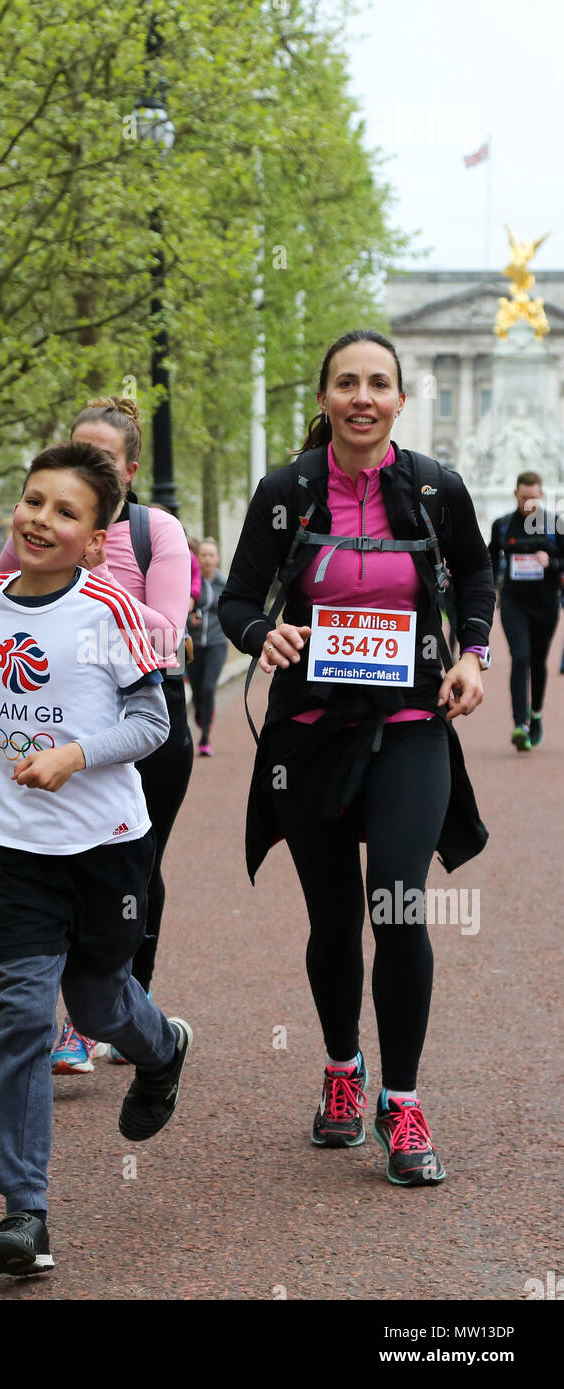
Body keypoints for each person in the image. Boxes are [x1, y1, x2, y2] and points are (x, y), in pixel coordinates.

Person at [219, 329, 495, 1186]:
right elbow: (234, 600)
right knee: (334, 918)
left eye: (379, 383)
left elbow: (478, 580)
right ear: (326, 398)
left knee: (399, 908)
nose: (363, 397)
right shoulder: (286, 491)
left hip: (412, 725)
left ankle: (402, 1099)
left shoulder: (435, 488)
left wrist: (470, 657)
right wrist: (267, 635)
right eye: (347, 383)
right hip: (310, 733)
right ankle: (344, 1074)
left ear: (400, 401)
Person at [0, 439, 192, 1276]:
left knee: (99, 1000)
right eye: (34, 502)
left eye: (66, 512)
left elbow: (153, 725)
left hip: (108, 848)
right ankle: (24, 1211)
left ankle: (162, 1048)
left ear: (95, 538)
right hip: (17, 849)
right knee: (22, 1014)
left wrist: (75, 755)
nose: (42, 520)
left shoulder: (113, 611)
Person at [0, 397, 193, 1073]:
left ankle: (123, 1001)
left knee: (135, 861)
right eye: (76, 449)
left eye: (102, 457)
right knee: (46, 862)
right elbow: (1, 614)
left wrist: (89, 578)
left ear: (129, 471)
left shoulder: (155, 533)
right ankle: (70, 1019)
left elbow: (165, 634)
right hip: (50, 717)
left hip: (143, 716)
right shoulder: (40, 529)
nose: (86, 465)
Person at [488, 473, 564, 750]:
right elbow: (490, 559)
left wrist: (552, 561)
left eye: (533, 497)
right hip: (513, 602)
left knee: (538, 661)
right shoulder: (503, 525)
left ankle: (536, 715)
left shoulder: (555, 525)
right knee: (520, 657)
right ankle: (520, 724)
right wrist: (487, 587)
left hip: (545, 604)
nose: (529, 503)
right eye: (523, 498)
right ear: (515, 495)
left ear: (542, 495)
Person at [187, 537, 228, 755]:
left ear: (217, 558)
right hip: (193, 645)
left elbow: (232, 611)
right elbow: (180, 610)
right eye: (204, 555)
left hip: (217, 643)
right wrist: (189, 620)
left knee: (209, 687)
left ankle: (204, 739)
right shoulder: (191, 583)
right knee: (195, 691)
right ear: (198, 558)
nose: (208, 559)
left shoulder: (225, 584)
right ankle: (200, 712)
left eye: (212, 555)